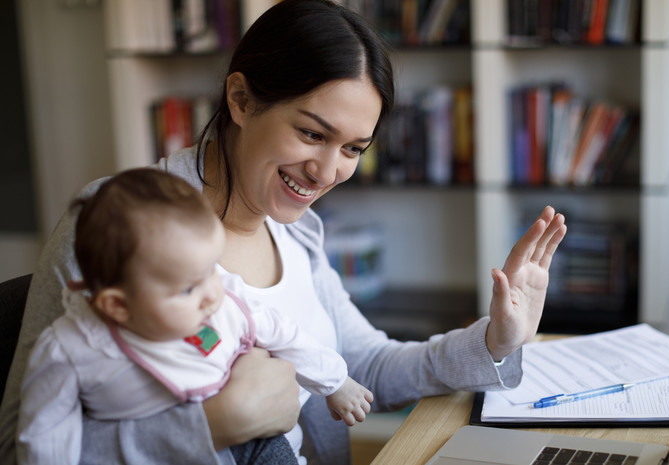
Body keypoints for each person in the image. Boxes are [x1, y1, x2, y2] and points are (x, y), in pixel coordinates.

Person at [0, 0, 567, 464]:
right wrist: (216, 425)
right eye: (311, 134)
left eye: (352, 149)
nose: (328, 172)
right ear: (241, 99)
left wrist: (496, 340)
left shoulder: (300, 234)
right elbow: (18, 445)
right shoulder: (111, 221)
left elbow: (363, 366)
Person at [16, 168, 374, 464]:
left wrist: (335, 382)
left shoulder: (220, 297)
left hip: (253, 445)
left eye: (211, 270)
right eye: (188, 288)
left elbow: (285, 334)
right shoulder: (71, 348)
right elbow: (44, 438)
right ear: (117, 306)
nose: (212, 294)